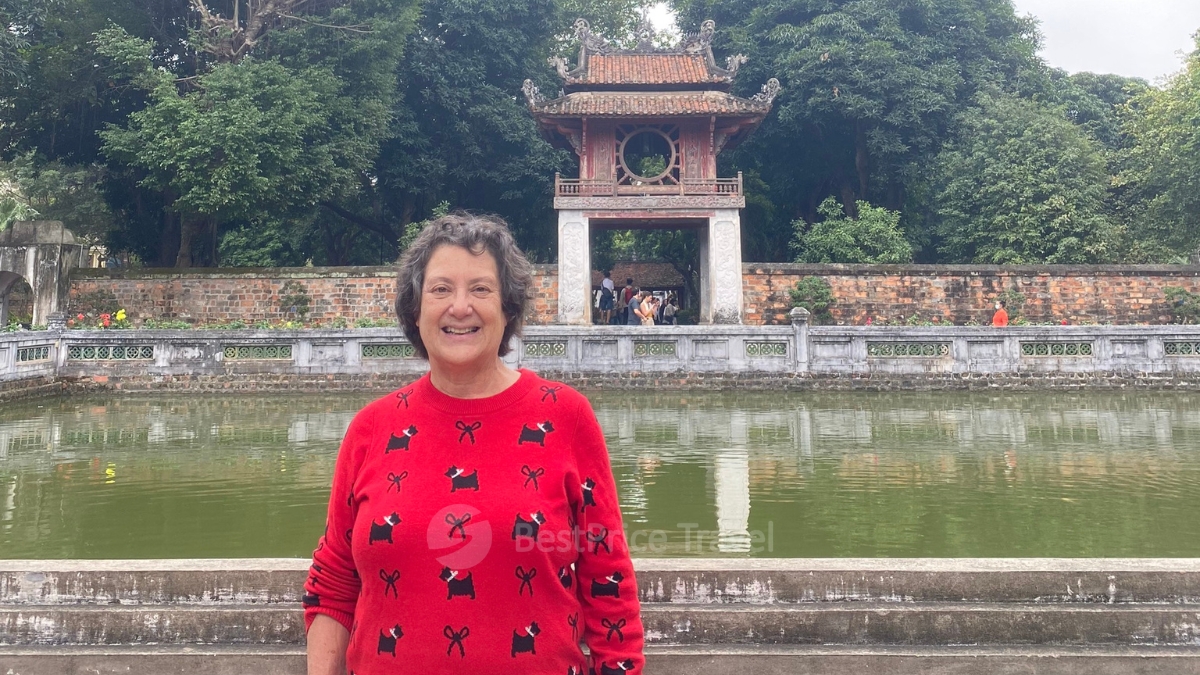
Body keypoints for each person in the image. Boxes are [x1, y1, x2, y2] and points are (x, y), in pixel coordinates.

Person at [304, 213, 645, 675]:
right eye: (440, 289)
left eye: (481, 289)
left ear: (508, 309)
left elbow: (606, 576)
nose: (459, 307)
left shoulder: (565, 417)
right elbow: (335, 579)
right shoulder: (372, 428)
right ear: (415, 310)